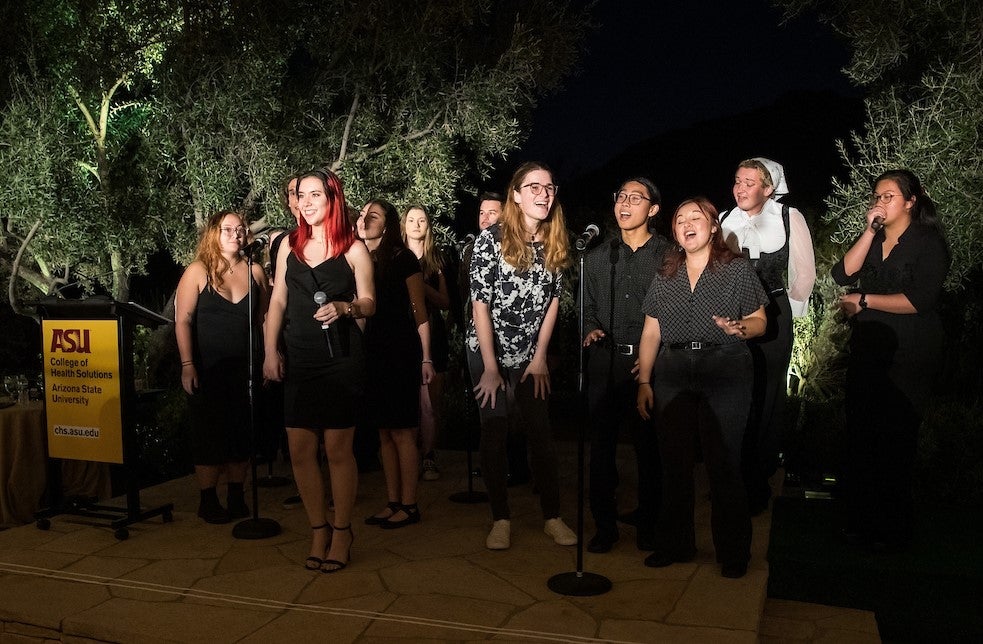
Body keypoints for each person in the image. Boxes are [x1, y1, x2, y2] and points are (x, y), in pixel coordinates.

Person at [636, 197, 768, 578]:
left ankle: (733, 552)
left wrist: (742, 328)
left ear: (713, 227)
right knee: (673, 464)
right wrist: (644, 380)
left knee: (723, 463)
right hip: (674, 369)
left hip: (725, 366)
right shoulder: (666, 274)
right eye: (680, 220)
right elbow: (651, 331)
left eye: (696, 218)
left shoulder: (737, 269)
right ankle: (674, 544)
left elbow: (761, 320)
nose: (687, 224)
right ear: (675, 232)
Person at [263, 169, 375, 572]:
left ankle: (342, 531)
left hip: (341, 357)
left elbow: (370, 303)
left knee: (337, 449)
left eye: (316, 195)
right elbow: (276, 303)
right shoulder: (286, 246)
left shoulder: (353, 249)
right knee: (299, 449)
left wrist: (347, 308)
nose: (307, 202)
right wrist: (270, 351)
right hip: (299, 356)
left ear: (333, 200)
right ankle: (317, 529)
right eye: (301, 195)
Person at [832, 169, 948, 550]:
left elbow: (920, 301)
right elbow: (842, 274)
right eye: (877, 196)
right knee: (861, 435)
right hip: (869, 349)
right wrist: (868, 231)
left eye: (889, 196)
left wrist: (864, 301)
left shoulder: (928, 243)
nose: (880, 202)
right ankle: (860, 522)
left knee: (896, 439)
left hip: (908, 351)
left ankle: (893, 529)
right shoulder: (875, 237)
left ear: (911, 201)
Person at [468, 161, 577, 550]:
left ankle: (552, 516)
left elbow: (553, 302)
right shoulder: (490, 240)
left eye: (549, 187)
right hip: (487, 350)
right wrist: (492, 369)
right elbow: (480, 305)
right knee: (495, 430)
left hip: (532, 353)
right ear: (515, 194)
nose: (543, 194)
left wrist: (540, 358)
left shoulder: (555, 240)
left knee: (541, 433)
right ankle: (500, 518)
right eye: (534, 187)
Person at [720, 158, 816, 514]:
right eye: (737, 180)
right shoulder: (724, 221)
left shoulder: (790, 218)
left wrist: (791, 313)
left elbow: (804, 274)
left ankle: (757, 479)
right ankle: (732, 475)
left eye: (749, 182)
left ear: (768, 188)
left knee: (768, 395)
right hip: (731, 316)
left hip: (774, 314)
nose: (740, 188)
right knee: (734, 393)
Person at [581, 177, 670, 553]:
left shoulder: (669, 255)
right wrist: (590, 331)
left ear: (653, 209)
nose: (625, 204)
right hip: (605, 362)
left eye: (635, 198)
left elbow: (677, 309)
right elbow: (584, 308)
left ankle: (649, 523)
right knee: (599, 448)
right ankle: (604, 525)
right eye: (621, 197)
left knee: (649, 448)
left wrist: (655, 357)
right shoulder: (598, 255)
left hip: (649, 363)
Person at [175, 210, 270, 524]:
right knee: (209, 432)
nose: (235, 234)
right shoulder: (197, 271)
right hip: (208, 367)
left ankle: (236, 494)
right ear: (213, 232)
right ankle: (207, 499)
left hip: (247, 366)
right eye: (227, 228)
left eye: (240, 229)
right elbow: (183, 320)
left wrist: (271, 355)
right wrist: (188, 364)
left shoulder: (255, 272)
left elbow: (264, 319)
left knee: (241, 432)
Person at [358, 199, 434, 529]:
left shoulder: (403, 258)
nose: (363, 220)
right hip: (371, 351)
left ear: (386, 225)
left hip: (400, 350)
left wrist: (426, 356)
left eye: (371, 216)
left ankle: (410, 504)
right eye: (362, 215)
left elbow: (420, 311)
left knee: (403, 431)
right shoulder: (357, 258)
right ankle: (392, 501)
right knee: (383, 432)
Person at [459, 191, 532, 486]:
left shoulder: (519, 247)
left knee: (515, 409)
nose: (486, 218)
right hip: (478, 340)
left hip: (514, 344)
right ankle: (494, 468)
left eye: (493, 212)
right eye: (481, 213)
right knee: (489, 410)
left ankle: (518, 467)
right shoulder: (472, 250)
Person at [402, 205, 450, 481]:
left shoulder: (437, 259)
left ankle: (429, 455)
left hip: (434, 333)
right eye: (411, 219)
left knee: (431, 403)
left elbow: (445, 302)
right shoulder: (395, 256)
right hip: (404, 333)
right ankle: (408, 455)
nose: (416, 224)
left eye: (422, 219)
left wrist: (420, 284)